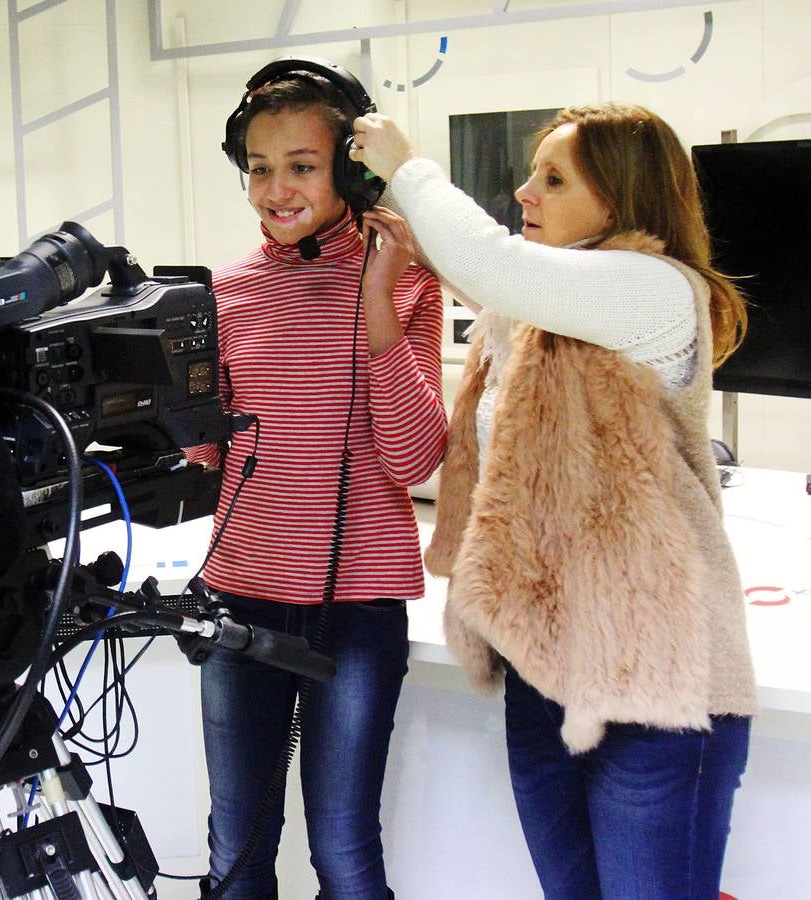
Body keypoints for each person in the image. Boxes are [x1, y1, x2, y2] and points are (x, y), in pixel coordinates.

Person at [350, 103, 756, 898]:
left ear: (620, 200)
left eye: (553, 178)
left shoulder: (657, 291)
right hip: (545, 676)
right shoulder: (534, 320)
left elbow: (494, 265)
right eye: (532, 172)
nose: (523, 190)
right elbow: (486, 276)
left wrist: (408, 164)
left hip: (657, 689)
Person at [185, 58, 446, 899]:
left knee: (341, 852)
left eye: (301, 165)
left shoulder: (407, 280)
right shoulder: (222, 293)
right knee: (236, 854)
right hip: (239, 595)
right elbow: (211, 462)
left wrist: (373, 303)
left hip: (355, 608)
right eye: (259, 169)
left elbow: (413, 459)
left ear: (352, 172)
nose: (275, 190)